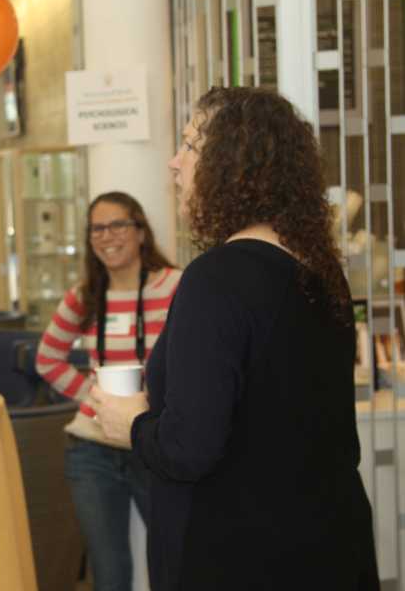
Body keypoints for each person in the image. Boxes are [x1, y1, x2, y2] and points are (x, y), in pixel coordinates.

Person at [90, 87, 379, 591]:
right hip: (328, 545)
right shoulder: (319, 270)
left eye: (190, 146)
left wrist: (131, 421)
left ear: (234, 164)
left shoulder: (217, 277)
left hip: (239, 556)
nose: (174, 162)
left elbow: (188, 450)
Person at [36, 191, 181, 591]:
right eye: (97, 228)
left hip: (154, 445)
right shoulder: (86, 296)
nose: (107, 236)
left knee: (177, 563)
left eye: (118, 225)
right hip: (91, 451)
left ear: (140, 232)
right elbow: (48, 358)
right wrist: (96, 396)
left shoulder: (176, 286)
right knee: (110, 576)